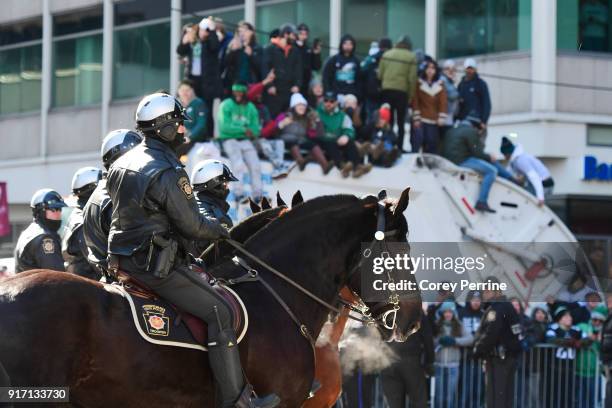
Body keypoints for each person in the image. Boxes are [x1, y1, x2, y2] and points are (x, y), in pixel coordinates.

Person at [105, 92, 279, 408]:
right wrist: (226, 231)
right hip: (154, 265)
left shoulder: (121, 162)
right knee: (221, 311)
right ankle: (236, 401)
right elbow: (193, 227)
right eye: (179, 124)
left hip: (121, 260)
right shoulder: (167, 170)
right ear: (164, 128)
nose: (184, 131)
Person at [82, 129, 142, 278]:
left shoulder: (100, 193)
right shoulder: (116, 195)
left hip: (110, 277)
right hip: (133, 280)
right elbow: (136, 243)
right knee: (204, 299)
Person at [441, 120, 513, 213]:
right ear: (477, 127)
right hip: (461, 161)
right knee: (492, 171)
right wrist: (489, 156)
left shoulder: (452, 130)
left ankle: (511, 178)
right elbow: (478, 153)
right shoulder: (471, 131)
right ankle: (482, 201)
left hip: (448, 161)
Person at [473, 277, 523, 408]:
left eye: (485, 291)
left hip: (499, 360)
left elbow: (491, 333)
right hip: (507, 358)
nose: (484, 294)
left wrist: (478, 350)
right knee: (505, 398)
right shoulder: (508, 306)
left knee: (496, 399)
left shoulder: (496, 309)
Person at [262, 92, 332, 174]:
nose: (302, 107)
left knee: (312, 144)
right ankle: (301, 161)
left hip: (300, 140)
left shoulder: (307, 118)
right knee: (293, 143)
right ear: (294, 106)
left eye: (303, 105)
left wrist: (317, 121)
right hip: (285, 139)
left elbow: (318, 134)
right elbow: (274, 132)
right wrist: (282, 124)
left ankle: (325, 165)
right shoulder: (284, 115)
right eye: (299, 105)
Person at [176, 17, 221, 139]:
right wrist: (184, 40)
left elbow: (215, 46)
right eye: (203, 29)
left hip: (207, 82)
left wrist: (212, 30)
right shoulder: (192, 40)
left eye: (207, 30)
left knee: (207, 109)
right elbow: (180, 51)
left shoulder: (210, 42)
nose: (204, 32)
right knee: (190, 107)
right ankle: (188, 135)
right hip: (193, 80)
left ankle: (209, 136)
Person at [217, 81, 263, 202]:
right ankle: (239, 194)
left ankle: (258, 195)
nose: (238, 94)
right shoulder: (226, 105)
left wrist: (249, 132)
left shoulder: (251, 107)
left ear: (245, 93)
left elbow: (255, 129)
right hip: (229, 139)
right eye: (235, 92)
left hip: (245, 141)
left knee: (256, 165)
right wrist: (244, 129)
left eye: (240, 92)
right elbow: (224, 127)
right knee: (238, 164)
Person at [381, 314, 434, 408]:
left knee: (394, 403)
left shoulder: (386, 311)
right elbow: (427, 338)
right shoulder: (417, 312)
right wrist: (429, 362)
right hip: (410, 361)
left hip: (388, 362)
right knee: (418, 401)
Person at [247, 70, 291, 179]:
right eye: (256, 93)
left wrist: (278, 125)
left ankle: (278, 169)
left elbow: (269, 127)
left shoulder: (263, 108)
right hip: (247, 143)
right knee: (262, 141)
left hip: (261, 140)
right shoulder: (246, 107)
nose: (259, 95)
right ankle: (280, 165)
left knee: (279, 142)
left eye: (260, 93)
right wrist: (265, 82)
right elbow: (249, 95)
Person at [317, 92, 372, 178]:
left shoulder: (342, 115)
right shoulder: (317, 113)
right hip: (323, 140)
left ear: (336, 103)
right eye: (326, 100)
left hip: (338, 140)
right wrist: (334, 137)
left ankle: (357, 167)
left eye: (331, 101)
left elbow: (349, 129)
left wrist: (346, 136)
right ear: (323, 101)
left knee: (349, 141)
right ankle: (342, 167)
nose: (328, 103)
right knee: (329, 143)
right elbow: (317, 131)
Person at [190, 160, 238, 258]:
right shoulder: (211, 213)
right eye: (225, 184)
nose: (227, 187)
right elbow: (225, 250)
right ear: (214, 185)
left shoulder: (198, 204)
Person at [378, 35, 417, 152]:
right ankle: (399, 147)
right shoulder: (411, 57)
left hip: (386, 90)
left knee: (387, 119)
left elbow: (380, 74)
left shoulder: (387, 54)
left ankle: (387, 144)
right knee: (400, 121)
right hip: (401, 92)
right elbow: (412, 78)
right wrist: (410, 96)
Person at [62, 166, 102, 279]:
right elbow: (95, 259)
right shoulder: (82, 221)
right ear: (92, 190)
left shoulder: (81, 213)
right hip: (89, 287)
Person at [14, 189, 67, 272]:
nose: (58, 213)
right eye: (53, 209)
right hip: (38, 284)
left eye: (60, 209)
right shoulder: (45, 239)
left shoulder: (28, 232)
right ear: (40, 211)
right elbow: (56, 276)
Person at [546, 306, 589, 408]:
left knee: (569, 396)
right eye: (566, 316)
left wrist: (580, 343)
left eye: (570, 316)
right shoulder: (554, 328)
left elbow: (587, 339)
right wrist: (570, 342)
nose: (569, 318)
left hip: (570, 368)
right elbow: (550, 339)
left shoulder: (576, 329)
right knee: (554, 395)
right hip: (555, 368)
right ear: (560, 319)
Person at [177, 80, 221, 177]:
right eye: (182, 90)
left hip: (194, 141)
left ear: (192, 91)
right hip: (181, 139)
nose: (184, 93)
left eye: (187, 90)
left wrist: (190, 137)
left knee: (173, 153)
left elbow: (201, 125)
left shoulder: (198, 103)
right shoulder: (178, 106)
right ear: (178, 91)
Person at [434, 301, 472, 408]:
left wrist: (455, 341)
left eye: (450, 312)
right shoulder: (436, 324)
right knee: (439, 397)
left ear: (453, 313)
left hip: (453, 366)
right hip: (439, 365)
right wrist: (439, 340)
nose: (448, 314)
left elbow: (470, 339)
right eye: (445, 312)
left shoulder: (459, 325)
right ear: (442, 313)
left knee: (450, 397)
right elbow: (430, 340)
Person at [500, 136, 554, 206]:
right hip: (537, 183)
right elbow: (508, 172)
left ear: (508, 153)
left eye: (504, 155)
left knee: (530, 203)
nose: (504, 157)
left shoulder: (520, 160)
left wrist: (540, 197)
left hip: (544, 184)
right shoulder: (515, 160)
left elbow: (534, 177)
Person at [263, 24, 302, 117]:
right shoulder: (270, 49)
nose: (294, 38)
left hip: (289, 90)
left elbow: (298, 70)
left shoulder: (295, 51)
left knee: (288, 116)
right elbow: (265, 68)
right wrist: (269, 86)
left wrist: (297, 84)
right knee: (273, 117)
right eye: (293, 35)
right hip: (275, 90)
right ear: (285, 34)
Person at [412, 60, 447, 153]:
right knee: (418, 141)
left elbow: (443, 102)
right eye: (428, 68)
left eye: (433, 68)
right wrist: (416, 118)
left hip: (434, 120)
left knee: (431, 144)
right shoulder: (418, 83)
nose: (430, 70)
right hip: (421, 119)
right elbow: (415, 101)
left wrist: (441, 117)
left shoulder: (440, 84)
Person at [457, 290, 484, 408]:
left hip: (479, 359)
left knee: (478, 390)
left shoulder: (484, 315)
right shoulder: (461, 313)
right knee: (465, 390)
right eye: (473, 300)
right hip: (464, 358)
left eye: (478, 300)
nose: (476, 303)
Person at [576, 305, 607, 408]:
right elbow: (577, 341)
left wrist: (600, 340)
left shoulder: (605, 333)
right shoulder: (582, 326)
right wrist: (590, 337)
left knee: (594, 403)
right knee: (579, 402)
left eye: (600, 321)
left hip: (595, 373)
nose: (597, 322)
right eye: (595, 319)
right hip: (578, 372)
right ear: (591, 318)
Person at [457, 58, 491, 137]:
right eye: (467, 69)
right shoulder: (461, 85)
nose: (469, 71)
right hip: (464, 124)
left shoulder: (481, 84)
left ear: (475, 69)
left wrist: (484, 121)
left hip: (478, 124)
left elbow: (487, 104)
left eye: (471, 68)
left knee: (477, 147)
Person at [358, 103, 400, 167]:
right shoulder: (372, 127)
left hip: (385, 150)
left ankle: (389, 159)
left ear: (386, 121)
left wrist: (387, 141)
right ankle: (386, 158)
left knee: (389, 149)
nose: (381, 121)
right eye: (379, 119)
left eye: (383, 120)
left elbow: (394, 139)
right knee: (374, 147)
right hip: (374, 151)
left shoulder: (388, 129)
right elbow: (363, 134)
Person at [224, 22, 263, 89]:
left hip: (251, 85)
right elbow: (226, 64)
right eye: (240, 31)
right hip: (236, 85)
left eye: (245, 30)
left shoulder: (257, 48)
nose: (242, 33)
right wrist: (232, 51)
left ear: (251, 32)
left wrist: (251, 56)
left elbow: (261, 68)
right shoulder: (237, 47)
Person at [322, 34, 361, 101]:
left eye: (350, 44)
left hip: (351, 94)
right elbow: (326, 76)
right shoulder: (334, 59)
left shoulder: (356, 61)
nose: (348, 46)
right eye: (345, 44)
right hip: (335, 94)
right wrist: (328, 92)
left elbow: (359, 79)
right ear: (341, 45)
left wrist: (358, 94)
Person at [360, 37, 392, 121]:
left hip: (371, 93)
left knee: (371, 119)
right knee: (385, 119)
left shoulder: (370, 59)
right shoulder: (393, 60)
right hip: (386, 94)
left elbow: (362, 72)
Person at [295, 23, 322, 96]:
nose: (303, 36)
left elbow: (316, 67)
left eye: (305, 34)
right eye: (301, 33)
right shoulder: (292, 47)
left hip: (306, 83)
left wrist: (316, 54)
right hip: (294, 82)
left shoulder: (308, 48)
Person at [440, 59, 459, 141]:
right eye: (448, 69)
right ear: (444, 70)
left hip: (450, 118)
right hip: (444, 118)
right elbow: (452, 95)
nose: (451, 71)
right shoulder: (443, 80)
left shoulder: (450, 81)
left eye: (453, 69)